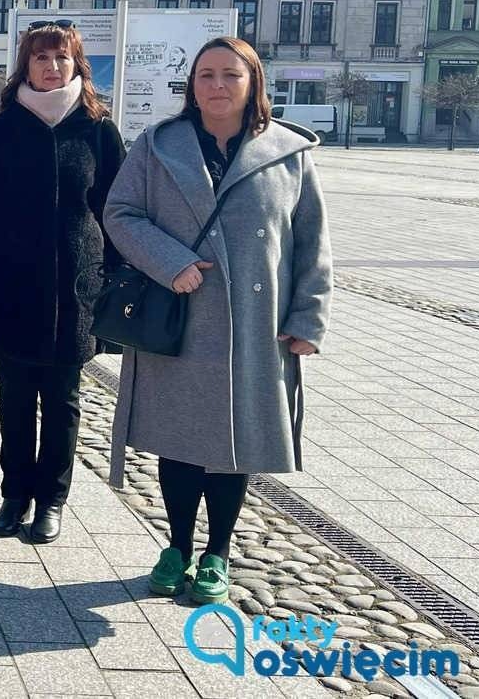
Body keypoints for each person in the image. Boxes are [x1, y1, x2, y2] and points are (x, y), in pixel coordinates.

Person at [104, 36, 332, 604]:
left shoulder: (288, 152)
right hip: (180, 317)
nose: (217, 86)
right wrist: (171, 262)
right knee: (178, 442)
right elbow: (120, 212)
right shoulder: (159, 146)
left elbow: (312, 243)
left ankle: (218, 554)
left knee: (234, 446)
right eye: (206, 75)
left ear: (253, 81)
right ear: (192, 85)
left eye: (231, 75)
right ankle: (177, 545)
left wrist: (309, 318)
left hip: (256, 326)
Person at [0, 20, 124, 544]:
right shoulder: (4, 128)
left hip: (78, 288)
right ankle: (14, 494)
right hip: (10, 286)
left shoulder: (98, 128)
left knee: (63, 398)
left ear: (77, 66)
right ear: (25, 66)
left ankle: (51, 499)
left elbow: (117, 211)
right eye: (41, 59)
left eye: (62, 59)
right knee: (13, 396)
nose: (52, 67)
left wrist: (116, 287)